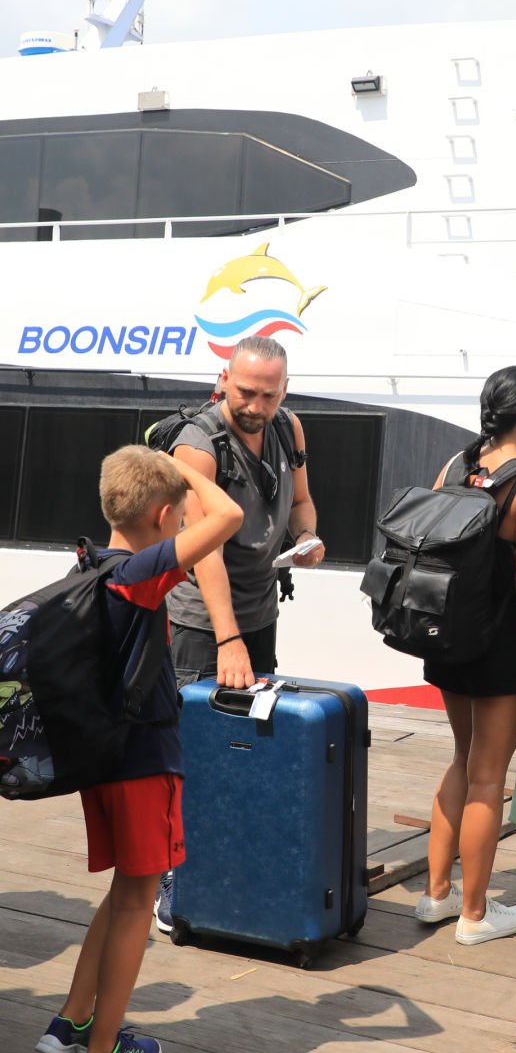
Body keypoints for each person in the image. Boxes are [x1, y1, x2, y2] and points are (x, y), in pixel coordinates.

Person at [37, 446, 242, 1053]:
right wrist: (182, 470)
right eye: (178, 515)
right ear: (161, 517)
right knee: (138, 902)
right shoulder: (140, 573)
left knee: (126, 892)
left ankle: (71, 1023)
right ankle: (103, 1046)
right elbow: (227, 517)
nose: (184, 522)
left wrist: (163, 477)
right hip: (143, 761)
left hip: (103, 760)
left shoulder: (91, 563)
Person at [156, 334, 323, 933]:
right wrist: (229, 641)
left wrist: (306, 539)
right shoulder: (197, 448)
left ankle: (230, 863)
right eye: (245, 392)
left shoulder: (289, 428)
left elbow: (301, 502)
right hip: (201, 623)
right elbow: (204, 556)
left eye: (268, 395)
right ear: (223, 379)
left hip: (259, 613)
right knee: (189, 753)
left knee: (245, 748)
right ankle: (172, 879)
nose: (255, 405)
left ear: (284, 390)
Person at [414, 366, 516, 945]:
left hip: (448, 634)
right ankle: (475, 916)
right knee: (488, 779)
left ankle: (436, 896)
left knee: (461, 757)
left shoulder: (454, 465)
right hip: (497, 643)